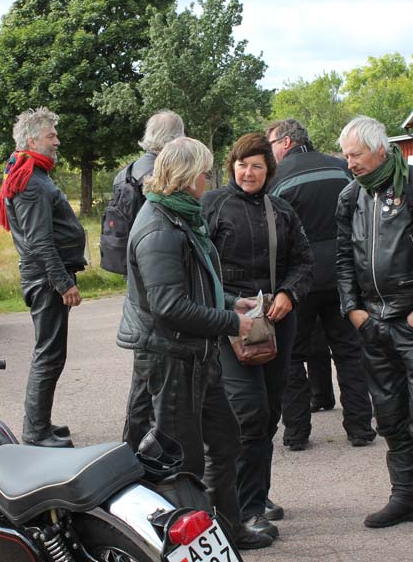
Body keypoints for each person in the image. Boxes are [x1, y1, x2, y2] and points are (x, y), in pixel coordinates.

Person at [116, 136, 271, 550]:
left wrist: (228, 301)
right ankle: (180, 546)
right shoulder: (158, 227)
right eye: (205, 171)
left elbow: (191, 288)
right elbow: (168, 306)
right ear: (186, 178)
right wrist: (231, 322)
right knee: (180, 464)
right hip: (170, 361)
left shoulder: (181, 216)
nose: (210, 178)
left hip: (195, 356)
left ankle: (227, 532)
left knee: (224, 442)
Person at [335, 115, 413, 541]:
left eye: (355, 154)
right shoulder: (351, 196)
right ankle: (405, 496)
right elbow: (342, 259)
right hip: (373, 325)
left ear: (381, 149)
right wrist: (352, 309)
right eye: (346, 155)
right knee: (389, 417)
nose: (349, 162)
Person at [201, 132, 313, 540]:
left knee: (269, 413)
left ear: (270, 170)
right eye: (243, 165)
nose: (249, 173)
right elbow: (200, 269)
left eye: (258, 166)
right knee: (248, 412)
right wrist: (232, 305)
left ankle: (255, 494)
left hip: (277, 323)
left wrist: (288, 294)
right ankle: (241, 511)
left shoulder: (281, 209)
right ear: (231, 166)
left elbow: (304, 261)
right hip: (230, 326)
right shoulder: (210, 206)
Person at [266, 118, 375, 450]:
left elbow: (275, 236)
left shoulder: (277, 179)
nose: (270, 152)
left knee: (292, 356)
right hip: (344, 276)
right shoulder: (342, 168)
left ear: (285, 142)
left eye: (270, 144)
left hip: (300, 283)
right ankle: (360, 427)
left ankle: (297, 432)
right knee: (349, 352)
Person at [0, 107, 86, 448]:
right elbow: (39, 241)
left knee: (51, 354)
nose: (57, 141)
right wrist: (63, 282)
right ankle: (35, 433)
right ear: (32, 140)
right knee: (48, 355)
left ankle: (41, 424)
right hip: (47, 280)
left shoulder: (33, 174)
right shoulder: (31, 181)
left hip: (45, 276)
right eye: (51, 136)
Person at [114, 109, 185, 451]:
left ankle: (134, 443)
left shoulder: (127, 170)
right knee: (150, 365)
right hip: (152, 274)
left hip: (137, 271)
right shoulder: (155, 173)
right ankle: (138, 444)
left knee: (145, 370)